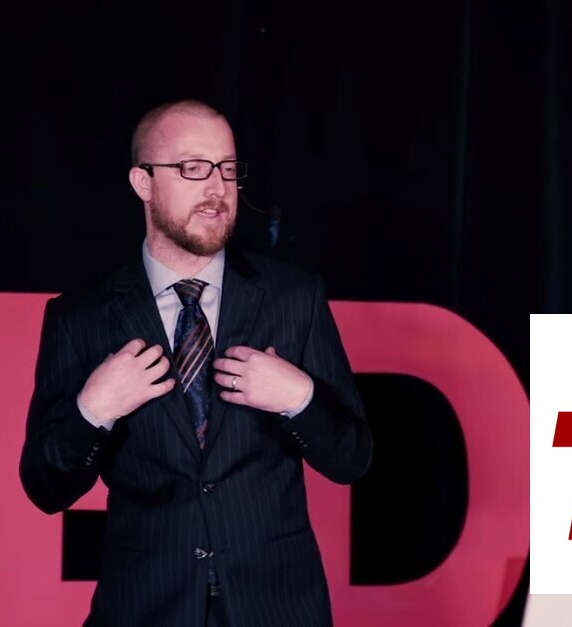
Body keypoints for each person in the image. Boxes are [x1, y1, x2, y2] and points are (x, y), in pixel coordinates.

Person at [19, 98, 373, 627]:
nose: (217, 188)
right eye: (192, 168)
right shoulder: (82, 318)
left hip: (277, 609)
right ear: (143, 183)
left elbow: (352, 459)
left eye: (227, 169)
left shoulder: (293, 299)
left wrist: (299, 398)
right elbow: (46, 488)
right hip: (144, 608)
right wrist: (94, 410)